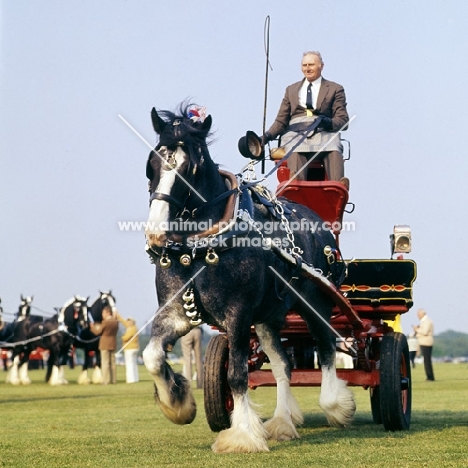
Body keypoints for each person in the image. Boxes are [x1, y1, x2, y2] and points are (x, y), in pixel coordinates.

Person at [264, 51, 349, 186]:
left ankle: (337, 186)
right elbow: (281, 121)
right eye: (304, 65)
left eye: (311, 65)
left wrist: (328, 122)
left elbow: (343, 119)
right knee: (294, 148)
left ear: (321, 66)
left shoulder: (335, 89)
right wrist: (266, 137)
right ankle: (295, 184)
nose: (307, 68)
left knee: (333, 146)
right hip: (296, 133)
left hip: (323, 130)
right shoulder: (291, 90)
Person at [90, 306, 119, 384]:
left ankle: (105, 380)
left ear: (107, 312)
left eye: (103, 313)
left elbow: (98, 332)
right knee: (112, 363)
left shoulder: (105, 322)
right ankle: (113, 380)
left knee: (105, 362)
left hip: (105, 343)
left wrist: (92, 327)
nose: (102, 315)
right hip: (113, 343)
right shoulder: (116, 322)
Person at [116, 313, 139, 383]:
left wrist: (122, 336)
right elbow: (123, 322)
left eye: (130, 321)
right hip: (134, 348)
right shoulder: (134, 328)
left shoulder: (132, 329)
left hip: (130, 348)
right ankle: (135, 378)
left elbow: (125, 338)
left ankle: (131, 379)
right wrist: (118, 315)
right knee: (133, 363)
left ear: (132, 322)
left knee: (129, 364)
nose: (128, 323)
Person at [412, 309, 435, 381]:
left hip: (426, 342)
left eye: (418, 314)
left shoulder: (427, 321)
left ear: (422, 314)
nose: (417, 316)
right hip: (423, 342)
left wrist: (416, 329)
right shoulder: (424, 321)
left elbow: (425, 332)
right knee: (426, 360)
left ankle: (430, 377)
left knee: (427, 360)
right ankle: (429, 376)